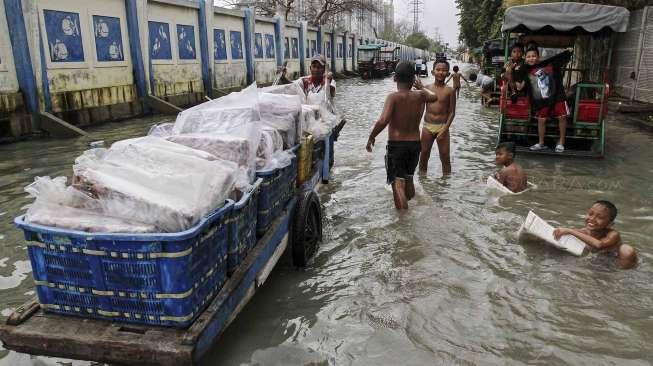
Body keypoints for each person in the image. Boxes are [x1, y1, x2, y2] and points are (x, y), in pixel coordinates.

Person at [366, 61, 437, 210]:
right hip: (415, 145)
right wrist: (422, 87)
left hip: (397, 146)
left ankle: (404, 221)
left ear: (395, 78)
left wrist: (372, 136)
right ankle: (410, 207)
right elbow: (434, 97)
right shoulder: (420, 96)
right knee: (409, 179)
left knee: (397, 184)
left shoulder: (393, 97)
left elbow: (383, 120)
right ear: (413, 79)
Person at [553, 201, 638, 269]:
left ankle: (622, 274)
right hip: (598, 262)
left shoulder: (613, 234)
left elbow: (599, 244)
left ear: (610, 224)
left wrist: (570, 231)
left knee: (626, 250)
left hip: (614, 261)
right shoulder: (582, 232)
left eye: (600, 217)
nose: (592, 219)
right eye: (590, 214)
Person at [524, 44, 573, 153]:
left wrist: (567, 52)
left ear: (538, 57)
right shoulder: (526, 69)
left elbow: (561, 58)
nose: (532, 58)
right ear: (525, 58)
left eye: (534, 56)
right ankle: (541, 143)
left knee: (562, 117)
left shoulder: (550, 64)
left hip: (557, 95)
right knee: (541, 119)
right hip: (542, 100)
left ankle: (561, 142)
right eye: (529, 56)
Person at [420, 60, 456, 175]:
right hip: (427, 127)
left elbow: (452, 112)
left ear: (448, 73)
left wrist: (444, 130)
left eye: (444, 70)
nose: (441, 72)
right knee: (424, 154)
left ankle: (446, 185)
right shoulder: (426, 88)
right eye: (438, 70)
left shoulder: (450, 91)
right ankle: (422, 180)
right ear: (432, 72)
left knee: (445, 157)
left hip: (442, 127)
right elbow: (419, 108)